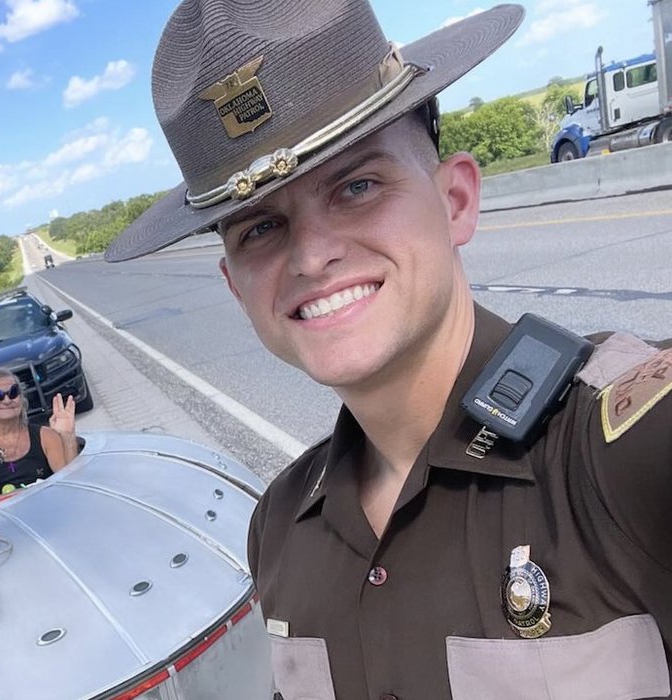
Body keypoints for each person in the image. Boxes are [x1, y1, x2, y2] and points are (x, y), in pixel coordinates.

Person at [106, 1, 672, 697]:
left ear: (456, 199)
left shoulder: (621, 450)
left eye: (356, 186)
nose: (310, 257)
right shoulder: (279, 529)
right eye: (258, 228)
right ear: (234, 285)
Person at [0, 368, 78, 501]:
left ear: (21, 399)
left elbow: (70, 481)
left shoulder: (46, 436)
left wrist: (67, 435)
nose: (7, 400)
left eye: (13, 392)